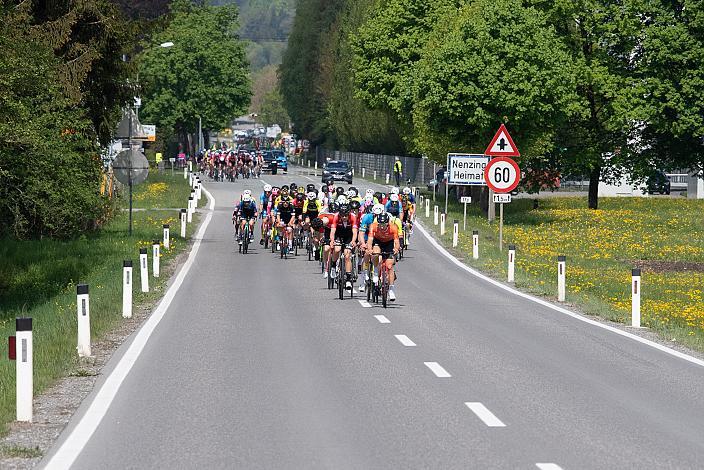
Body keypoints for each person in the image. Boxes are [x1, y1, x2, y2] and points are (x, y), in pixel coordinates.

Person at [368, 212, 400, 301]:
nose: (381, 226)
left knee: (389, 266)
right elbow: (370, 240)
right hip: (378, 242)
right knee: (376, 253)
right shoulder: (373, 226)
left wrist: (396, 249)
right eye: (380, 224)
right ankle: (375, 271)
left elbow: (397, 242)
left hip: (389, 243)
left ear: (387, 223)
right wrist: (369, 249)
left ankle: (391, 290)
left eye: (384, 224)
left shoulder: (393, 227)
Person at [328, 202, 359, 291]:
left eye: (346, 215)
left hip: (349, 236)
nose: (344, 217)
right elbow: (333, 231)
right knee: (337, 249)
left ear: (348, 213)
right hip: (339, 234)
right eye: (342, 215)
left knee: (347, 254)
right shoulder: (336, 216)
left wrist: (353, 241)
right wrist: (332, 241)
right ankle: (333, 265)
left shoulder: (353, 217)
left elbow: (354, 232)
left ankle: (348, 278)